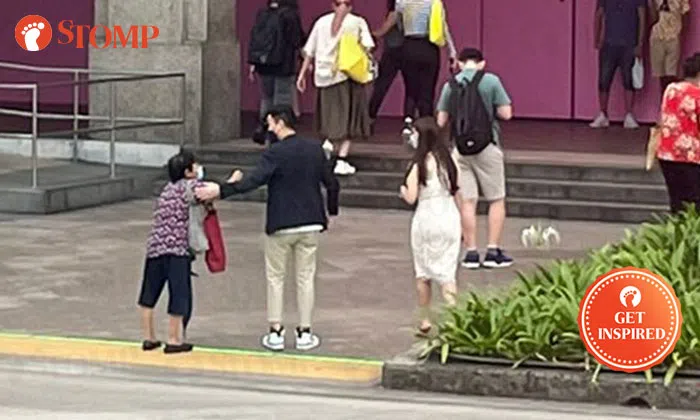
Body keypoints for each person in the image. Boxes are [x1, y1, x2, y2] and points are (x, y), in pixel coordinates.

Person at [195, 106, 340, 352]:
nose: (268, 128)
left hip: (281, 222)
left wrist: (222, 190)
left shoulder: (275, 153)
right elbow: (332, 183)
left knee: (276, 278)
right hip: (312, 221)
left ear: (280, 123)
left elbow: (253, 181)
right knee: (306, 278)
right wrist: (331, 211)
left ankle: (276, 332)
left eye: (270, 123)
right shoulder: (315, 149)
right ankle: (305, 332)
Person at [436, 48, 514, 269]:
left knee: (467, 201)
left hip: (460, 149)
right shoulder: (491, 81)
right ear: (481, 63)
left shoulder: (450, 85)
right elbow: (506, 113)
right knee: (496, 199)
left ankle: (471, 252)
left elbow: (441, 120)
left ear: (460, 63)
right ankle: (492, 251)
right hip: (488, 146)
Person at [137, 151, 206, 354]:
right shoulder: (191, 186)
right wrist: (233, 181)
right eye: (195, 165)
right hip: (177, 250)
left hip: (155, 247)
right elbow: (211, 193)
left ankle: (148, 338)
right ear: (187, 172)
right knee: (179, 294)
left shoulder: (166, 189)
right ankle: (174, 340)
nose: (198, 167)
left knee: (149, 294)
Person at [297, 0, 374, 175]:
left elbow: (309, 51)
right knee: (349, 120)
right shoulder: (357, 22)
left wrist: (302, 74)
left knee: (329, 118)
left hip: (324, 77)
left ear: (332, 5)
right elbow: (367, 47)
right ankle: (341, 160)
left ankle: (328, 145)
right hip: (347, 76)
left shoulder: (321, 22)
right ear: (350, 6)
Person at [400, 117, 462, 334]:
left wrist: (403, 191)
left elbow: (411, 197)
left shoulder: (418, 165)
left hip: (426, 219)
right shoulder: (450, 162)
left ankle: (425, 319)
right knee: (448, 274)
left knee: (423, 273)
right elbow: (457, 192)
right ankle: (454, 319)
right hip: (449, 217)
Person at [248, 0, 305, 144]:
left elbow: (256, 39)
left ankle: (264, 127)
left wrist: (253, 62)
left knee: (267, 98)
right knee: (282, 99)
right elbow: (297, 40)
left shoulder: (263, 14)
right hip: (283, 64)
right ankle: (278, 134)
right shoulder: (290, 15)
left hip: (264, 63)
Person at [393, 0, 457, 120]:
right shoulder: (434, 3)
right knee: (427, 90)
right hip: (428, 48)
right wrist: (452, 51)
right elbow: (443, 27)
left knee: (410, 89)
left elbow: (400, 25)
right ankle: (426, 123)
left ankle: (408, 121)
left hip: (409, 46)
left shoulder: (401, 2)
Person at [590, 0, 647, 129]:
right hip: (608, 43)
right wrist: (596, 37)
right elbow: (598, 14)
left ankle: (629, 115)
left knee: (628, 80)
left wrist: (640, 43)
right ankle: (603, 114)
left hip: (630, 44)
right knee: (604, 80)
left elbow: (642, 17)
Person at [656, 53, 700, 214]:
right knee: (694, 201)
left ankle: (676, 228)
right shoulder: (697, 94)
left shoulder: (671, 89)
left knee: (676, 200)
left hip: (667, 153)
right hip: (690, 155)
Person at [368, 0, 406, 128]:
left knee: (381, 86)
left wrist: (367, 34)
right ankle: (409, 120)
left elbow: (383, 31)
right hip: (406, 51)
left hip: (393, 53)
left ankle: (370, 117)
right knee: (411, 89)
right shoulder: (410, 13)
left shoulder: (395, 13)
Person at [648, 0, 691, 101]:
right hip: (657, 36)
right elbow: (653, 18)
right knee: (660, 74)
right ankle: (664, 99)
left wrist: (681, 32)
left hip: (673, 36)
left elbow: (686, 14)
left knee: (671, 72)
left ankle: (671, 99)